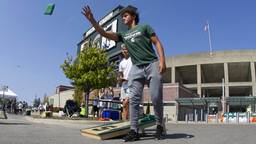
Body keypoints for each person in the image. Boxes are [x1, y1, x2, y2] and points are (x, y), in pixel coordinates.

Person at [82, 5, 166, 141]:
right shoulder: (123, 35)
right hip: (136, 68)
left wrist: (162, 60)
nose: (123, 18)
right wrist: (92, 20)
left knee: (156, 97)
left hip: (152, 64)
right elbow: (104, 33)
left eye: (125, 15)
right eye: (122, 17)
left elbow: (157, 43)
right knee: (133, 99)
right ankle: (134, 131)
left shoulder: (144, 27)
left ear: (133, 16)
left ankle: (159, 126)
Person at [118, 44, 132, 121]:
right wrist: (120, 78)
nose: (124, 51)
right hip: (124, 85)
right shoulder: (121, 63)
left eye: (125, 49)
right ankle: (125, 121)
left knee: (127, 102)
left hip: (131, 84)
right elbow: (120, 74)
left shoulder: (133, 59)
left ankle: (129, 121)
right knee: (124, 104)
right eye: (123, 49)